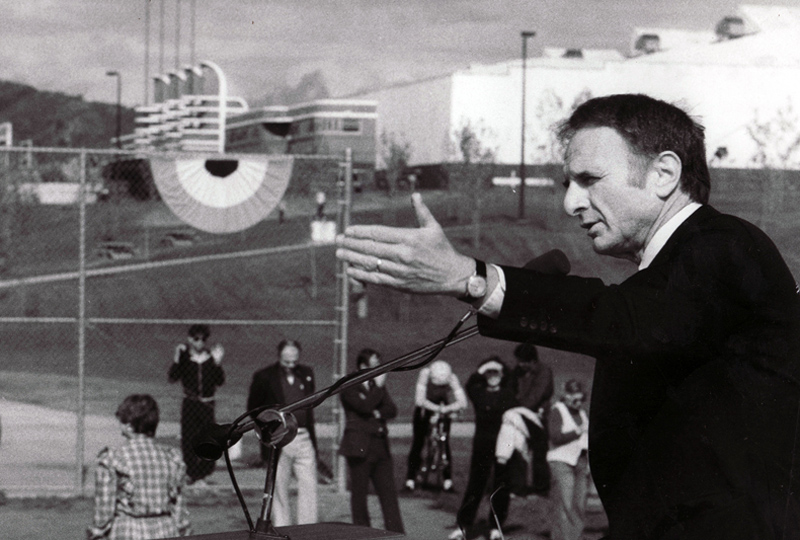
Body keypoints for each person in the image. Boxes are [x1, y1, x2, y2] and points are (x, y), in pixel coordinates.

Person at [336, 93, 800, 539]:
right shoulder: (672, 275)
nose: (570, 203)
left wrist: (471, 279)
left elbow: (622, 320)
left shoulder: (724, 245)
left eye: (590, 179)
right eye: (567, 184)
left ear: (663, 173)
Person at [88, 394, 190, 540]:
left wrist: (97, 531)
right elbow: (179, 507)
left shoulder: (113, 459)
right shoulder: (172, 458)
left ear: (129, 426)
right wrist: (183, 529)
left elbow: (104, 511)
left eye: (121, 421)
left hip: (128, 530)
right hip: (165, 528)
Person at [246, 339, 318, 526]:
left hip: (303, 436)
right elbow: (253, 409)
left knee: (309, 485)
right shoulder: (265, 377)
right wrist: (269, 433)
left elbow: (310, 408)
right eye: (287, 361)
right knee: (279, 487)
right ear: (279, 357)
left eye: (294, 361)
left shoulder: (306, 374)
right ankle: (282, 527)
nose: (291, 365)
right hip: (280, 439)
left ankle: (308, 528)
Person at [448, 356, 517, 540]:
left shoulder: (508, 394)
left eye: (496, 373)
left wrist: (500, 366)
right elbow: (471, 383)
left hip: (503, 444)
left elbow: (512, 378)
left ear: (502, 375)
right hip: (482, 444)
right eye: (489, 373)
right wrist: (482, 368)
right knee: (475, 485)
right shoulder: (479, 392)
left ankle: (496, 527)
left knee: (501, 485)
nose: (493, 376)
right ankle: (463, 526)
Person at [338, 348, 405, 534]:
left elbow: (392, 410)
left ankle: (396, 533)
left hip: (380, 446)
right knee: (359, 496)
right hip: (359, 447)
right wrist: (379, 391)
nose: (380, 368)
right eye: (375, 364)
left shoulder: (376, 386)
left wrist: (376, 408)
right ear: (363, 366)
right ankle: (362, 534)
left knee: (389, 495)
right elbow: (363, 406)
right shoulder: (350, 385)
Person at [167, 324, 225, 486]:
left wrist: (218, 363)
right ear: (190, 339)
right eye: (196, 339)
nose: (200, 343)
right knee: (189, 437)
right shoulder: (185, 358)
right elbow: (172, 377)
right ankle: (191, 472)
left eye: (203, 339)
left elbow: (220, 381)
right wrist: (177, 359)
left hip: (207, 403)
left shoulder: (210, 358)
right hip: (190, 403)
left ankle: (205, 471)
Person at [404, 359, 467, 492]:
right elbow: (419, 400)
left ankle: (447, 481)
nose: (439, 388)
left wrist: (447, 409)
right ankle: (410, 479)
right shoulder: (425, 374)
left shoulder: (452, 377)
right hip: (425, 407)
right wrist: (438, 409)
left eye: (442, 386)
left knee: (445, 442)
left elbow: (463, 402)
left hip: (442, 405)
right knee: (418, 442)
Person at [547, 379, 590, 540]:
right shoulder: (557, 410)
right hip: (561, 461)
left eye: (581, 400)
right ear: (565, 396)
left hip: (580, 461)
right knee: (565, 504)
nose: (578, 403)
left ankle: (575, 537)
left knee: (579, 505)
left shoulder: (582, 413)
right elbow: (555, 437)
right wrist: (578, 431)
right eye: (575, 400)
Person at [508, 343, 553, 496]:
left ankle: (541, 488)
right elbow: (511, 389)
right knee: (519, 450)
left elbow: (536, 396)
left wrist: (517, 405)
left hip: (537, 416)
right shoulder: (518, 372)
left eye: (522, 361)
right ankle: (518, 486)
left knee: (539, 454)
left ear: (532, 361)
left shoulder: (544, 372)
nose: (519, 364)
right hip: (521, 414)